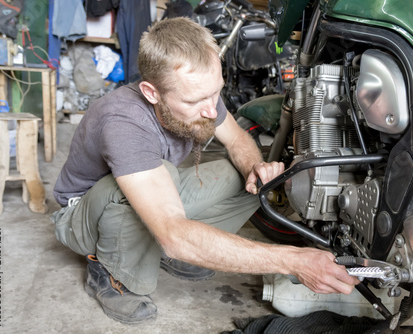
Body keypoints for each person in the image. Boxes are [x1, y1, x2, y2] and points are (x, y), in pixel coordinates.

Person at [51, 17, 359, 325]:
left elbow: (238, 140)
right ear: (151, 92)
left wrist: (257, 169)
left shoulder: (201, 94)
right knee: (165, 180)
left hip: (149, 194)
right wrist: (292, 261)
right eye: (195, 100)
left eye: (215, 93)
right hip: (82, 217)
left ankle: (160, 249)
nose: (211, 110)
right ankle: (110, 275)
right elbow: (173, 233)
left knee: (257, 175)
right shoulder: (123, 122)